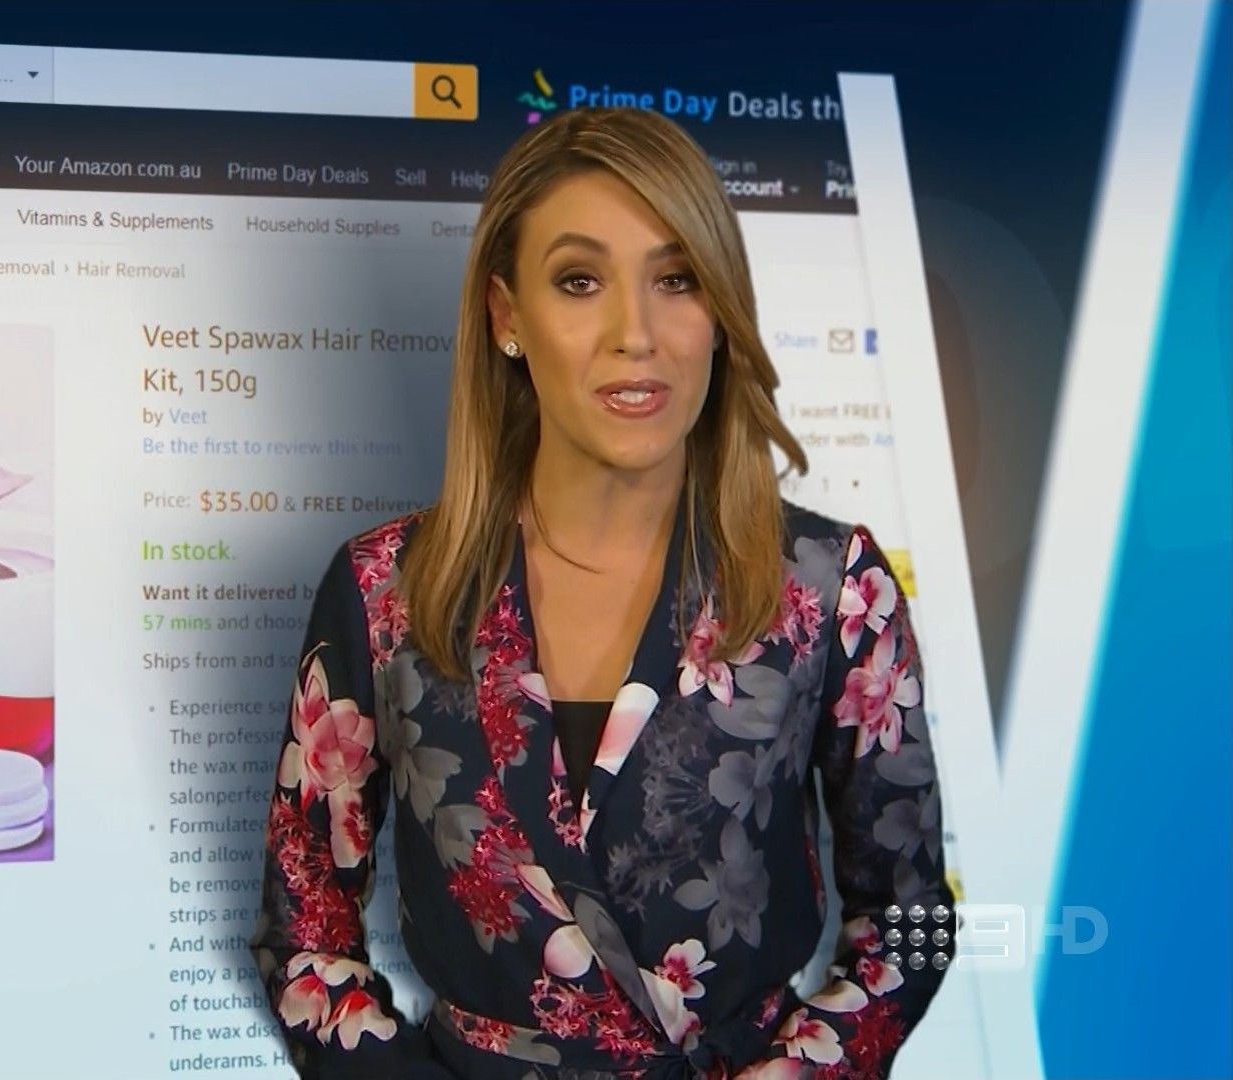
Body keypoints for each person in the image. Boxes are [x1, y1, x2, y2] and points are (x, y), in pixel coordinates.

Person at [250, 107, 954, 1080]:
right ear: (506, 317)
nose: (636, 334)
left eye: (678, 279)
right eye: (580, 281)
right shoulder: (382, 591)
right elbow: (303, 934)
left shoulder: (834, 590)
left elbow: (911, 923)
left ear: (721, 312)